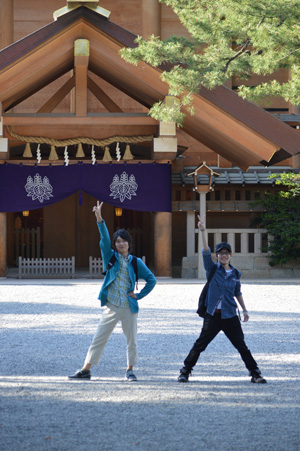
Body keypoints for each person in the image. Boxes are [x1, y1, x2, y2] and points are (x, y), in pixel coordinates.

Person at [68, 201, 156, 381]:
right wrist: (99, 219)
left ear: (129, 243)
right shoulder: (110, 257)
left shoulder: (135, 262)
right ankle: (86, 370)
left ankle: (130, 369)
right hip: (112, 305)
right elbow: (104, 239)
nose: (120, 243)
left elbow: (151, 280)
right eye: (118, 241)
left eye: (124, 241)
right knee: (99, 337)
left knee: (131, 341)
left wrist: (138, 295)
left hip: (129, 307)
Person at [178, 215, 267, 384]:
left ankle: (255, 373)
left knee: (241, 346)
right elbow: (205, 251)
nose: (223, 256)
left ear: (231, 255)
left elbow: (237, 292)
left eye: (226, 253)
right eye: (220, 254)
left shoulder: (235, 273)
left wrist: (245, 309)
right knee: (200, 345)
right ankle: (185, 371)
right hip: (213, 314)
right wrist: (202, 230)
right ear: (217, 256)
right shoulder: (212, 268)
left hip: (230, 315)